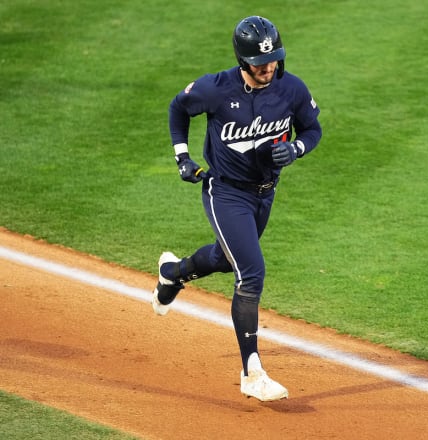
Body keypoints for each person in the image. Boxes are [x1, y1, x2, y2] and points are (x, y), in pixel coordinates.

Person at [152, 15, 322, 402]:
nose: (269, 68)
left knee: (227, 259)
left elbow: (313, 130)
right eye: (261, 63)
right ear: (243, 61)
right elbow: (178, 109)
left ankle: (172, 273)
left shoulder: (290, 89)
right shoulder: (215, 89)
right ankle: (252, 372)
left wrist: (296, 148)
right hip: (225, 192)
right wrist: (182, 157)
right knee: (251, 272)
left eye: (274, 59)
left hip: (265, 194)